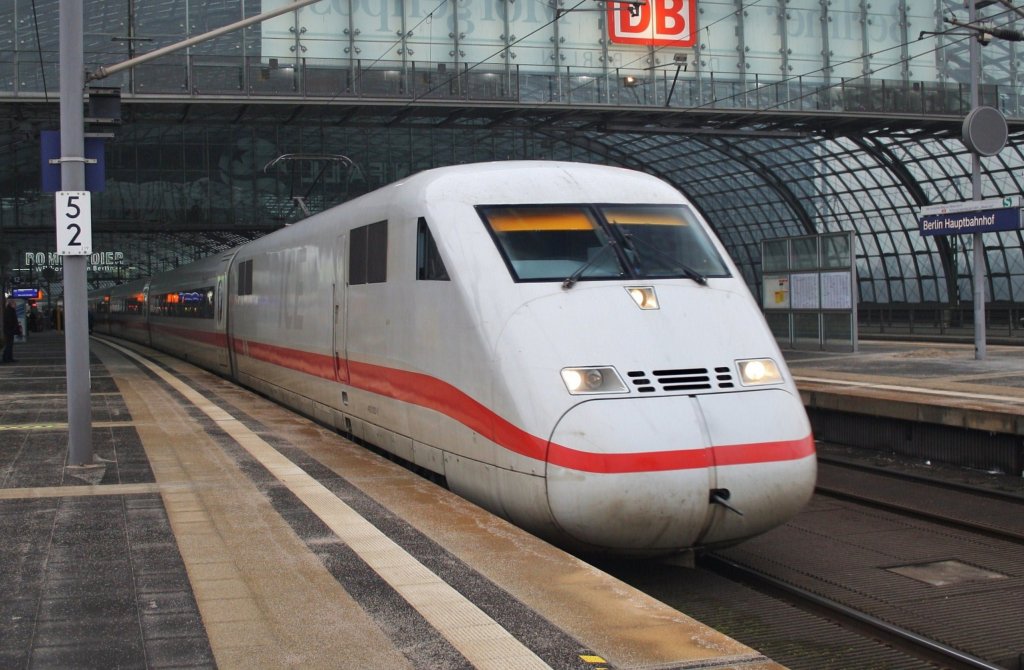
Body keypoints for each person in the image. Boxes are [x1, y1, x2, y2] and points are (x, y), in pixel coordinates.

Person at [2, 298, 18, 363]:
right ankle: (7, 358)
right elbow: (10, 321)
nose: (15, 305)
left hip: (9, 330)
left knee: (9, 345)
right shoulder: (10, 310)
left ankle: (8, 358)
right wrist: (13, 327)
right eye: (15, 304)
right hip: (9, 330)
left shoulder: (9, 310)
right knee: (9, 345)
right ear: (11, 304)